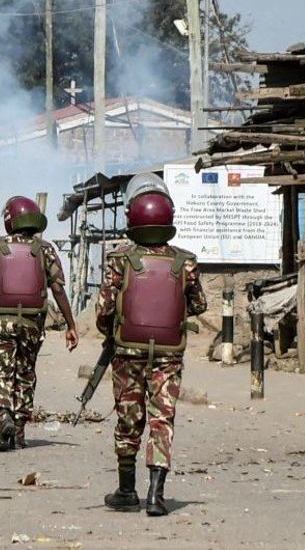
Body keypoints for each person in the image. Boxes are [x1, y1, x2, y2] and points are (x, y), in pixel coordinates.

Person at [97, 176, 206, 516]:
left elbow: (103, 310)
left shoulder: (120, 259)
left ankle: (127, 491)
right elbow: (199, 305)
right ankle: (156, 496)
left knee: (129, 417)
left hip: (127, 352)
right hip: (169, 356)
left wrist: (110, 331)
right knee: (163, 419)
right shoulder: (185, 262)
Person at [0, 196, 79, 452]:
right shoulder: (45, 249)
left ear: (9, 220)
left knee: (1, 373)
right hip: (32, 324)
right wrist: (71, 325)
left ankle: (4, 416)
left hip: (0, 323)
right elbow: (58, 290)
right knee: (25, 374)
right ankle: (19, 430)